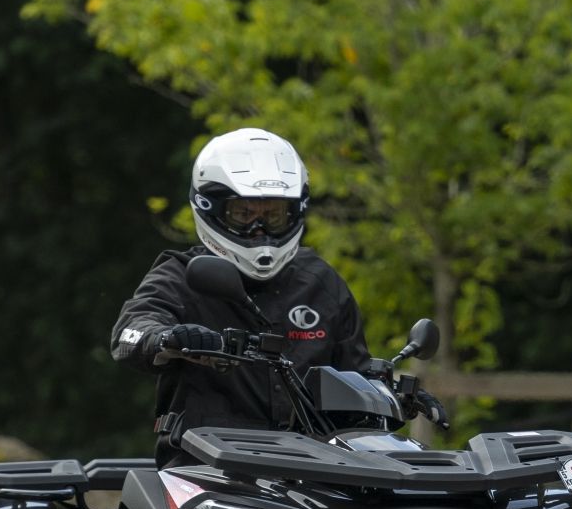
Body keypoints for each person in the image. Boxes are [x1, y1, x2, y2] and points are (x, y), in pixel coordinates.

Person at [111, 127, 375, 464]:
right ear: (211, 208)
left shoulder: (320, 282)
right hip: (206, 468)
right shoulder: (182, 275)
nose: (258, 230)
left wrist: (392, 394)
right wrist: (167, 339)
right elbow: (129, 333)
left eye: (273, 216)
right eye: (244, 214)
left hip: (311, 471)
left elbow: (358, 376)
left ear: (294, 212)